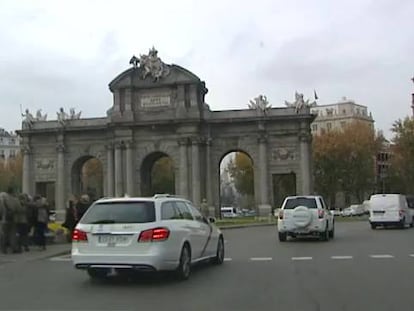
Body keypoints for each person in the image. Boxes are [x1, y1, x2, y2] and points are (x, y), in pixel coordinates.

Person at [0, 187, 20, 253]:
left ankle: (3, 249)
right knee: (12, 234)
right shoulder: (15, 199)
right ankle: (13, 248)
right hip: (13, 218)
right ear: (13, 192)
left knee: (4, 234)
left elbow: (1, 209)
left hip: (4, 218)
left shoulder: (3, 199)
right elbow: (18, 209)